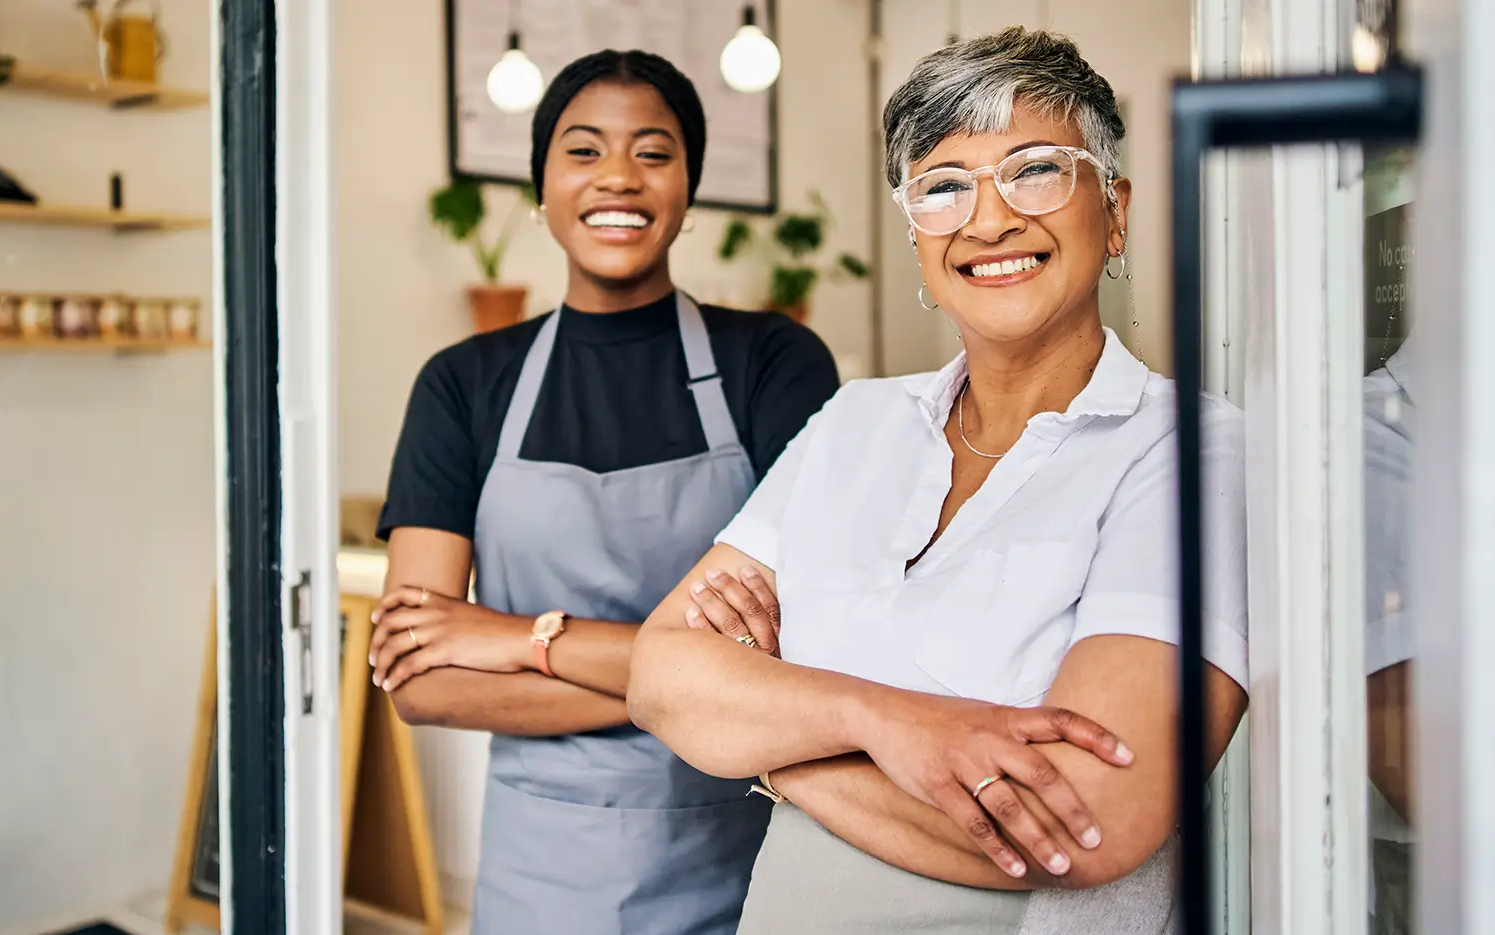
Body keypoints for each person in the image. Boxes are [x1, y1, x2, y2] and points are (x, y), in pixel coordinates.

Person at [628, 28, 1251, 933]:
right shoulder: (854, 423)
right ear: (918, 235)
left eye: (1036, 170)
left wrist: (774, 749)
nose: (988, 219)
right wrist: (888, 721)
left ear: (1113, 211)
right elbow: (662, 673)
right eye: (945, 187)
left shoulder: (1191, 450)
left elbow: (1088, 820)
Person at [365, 50, 840, 935]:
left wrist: (516, 639)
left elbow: (798, 648)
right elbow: (420, 678)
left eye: (653, 152)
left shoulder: (773, 362)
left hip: (743, 863)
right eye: (583, 150)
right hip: (540, 880)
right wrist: (702, 680)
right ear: (542, 187)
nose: (618, 175)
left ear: (689, 188)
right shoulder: (464, 384)